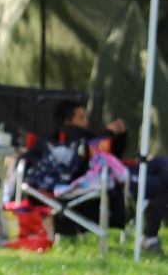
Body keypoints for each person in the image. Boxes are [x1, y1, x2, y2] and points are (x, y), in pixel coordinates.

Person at [53, 100, 168, 253]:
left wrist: (119, 135)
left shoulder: (88, 134)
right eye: (81, 117)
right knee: (161, 186)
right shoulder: (68, 138)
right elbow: (86, 157)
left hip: (119, 169)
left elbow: (115, 154)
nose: (86, 121)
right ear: (67, 122)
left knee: (163, 163)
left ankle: (150, 237)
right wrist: (108, 132)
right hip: (107, 178)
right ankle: (150, 238)